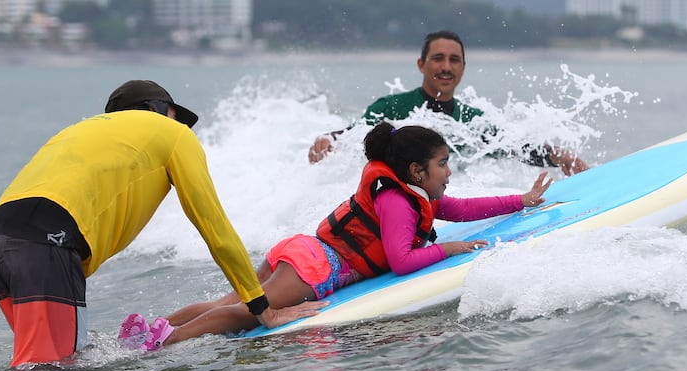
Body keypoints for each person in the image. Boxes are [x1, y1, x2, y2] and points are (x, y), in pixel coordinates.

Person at [125, 121, 553, 349]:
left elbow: (462, 208)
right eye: (443, 163)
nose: (449, 172)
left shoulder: (411, 192)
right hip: (318, 267)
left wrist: (522, 200)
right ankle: (166, 342)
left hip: (305, 253)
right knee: (243, 313)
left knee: (231, 299)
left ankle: (152, 327)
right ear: (418, 172)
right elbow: (402, 260)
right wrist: (451, 249)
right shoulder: (396, 202)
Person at [0, 79, 320, 367]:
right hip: (45, 243)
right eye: (175, 116)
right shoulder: (171, 134)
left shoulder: (79, 132)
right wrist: (263, 308)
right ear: (158, 111)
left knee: (53, 366)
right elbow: (216, 231)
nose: (181, 126)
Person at [307, 30, 589, 175]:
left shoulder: (472, 119)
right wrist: (329, 139)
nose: (446, 67)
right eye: (438, 59)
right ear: (421, 64)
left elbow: (510, 147)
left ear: (463, 67)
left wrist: (558, 156)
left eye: (454, 60)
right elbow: (354, 134)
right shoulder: (391, 107)